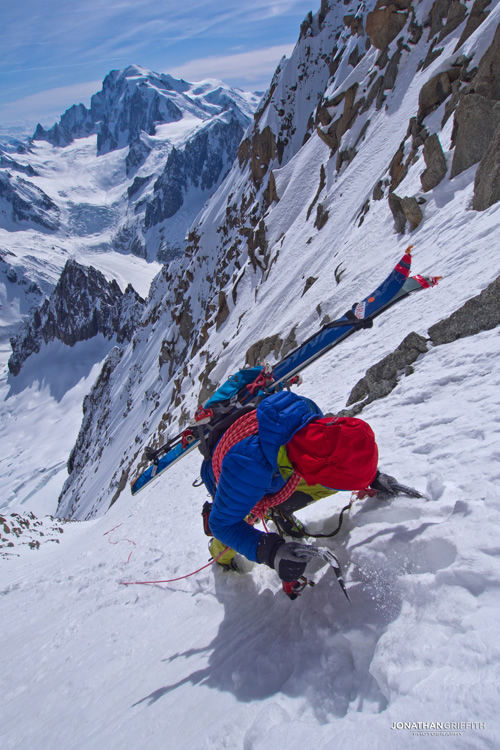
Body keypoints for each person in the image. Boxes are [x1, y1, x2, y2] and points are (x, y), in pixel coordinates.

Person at [200, 389, 397, 586]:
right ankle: (220, 557)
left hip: (274, 471)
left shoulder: (309, 412)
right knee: (238, 522)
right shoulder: (249, 466)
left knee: (326, 486)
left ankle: (279, 510)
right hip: (232, 476)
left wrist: (371, 476)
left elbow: (340, 449)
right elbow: (222, 524)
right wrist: (271, 552)